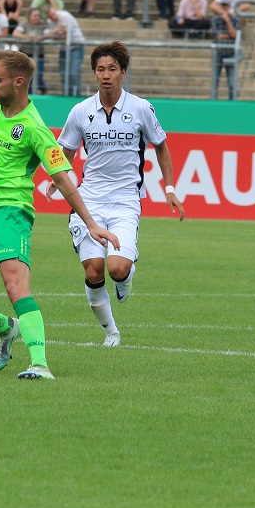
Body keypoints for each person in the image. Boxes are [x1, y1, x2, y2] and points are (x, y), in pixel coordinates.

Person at [0, 49, 119, 380]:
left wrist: (91, 224)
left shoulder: (34, 128)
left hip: (10, 214)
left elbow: (63, 178)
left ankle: (40, 364)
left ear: (18, 83)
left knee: (16, 287)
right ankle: (6, 328)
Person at [55, 41, 183, 345]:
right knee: (94, 269)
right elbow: (65, 149)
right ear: (94, 73)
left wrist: (169, 188)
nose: (105, 75)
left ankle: (125, 277)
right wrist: (56, 176)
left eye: (112, 69)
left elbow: (161, 147)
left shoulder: (141, 107)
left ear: (123, 72)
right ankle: (110, 331)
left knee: (117, 268)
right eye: (100, 69)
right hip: (89, 200)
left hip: (126, 200)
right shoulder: (80, 111)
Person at [46, 6, 85, 97]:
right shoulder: (50, 22)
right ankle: (65, 94)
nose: (53, 18)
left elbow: (65, 36)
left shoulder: (64, 16)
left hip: (75, 47)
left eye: (53, 15)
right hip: (63, 49)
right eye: (50, 17)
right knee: (63, 74)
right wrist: (55, 32)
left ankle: (75, 95)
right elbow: (47, 35)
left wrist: (54, 34)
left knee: (73, 73)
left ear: (55, 11)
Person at [210, 0, 242, 100]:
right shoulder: (215, 19)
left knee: (232, 82)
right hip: (218, 52)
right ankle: (213, 102)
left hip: (231, 52)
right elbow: (216, 35)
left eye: (226, 6)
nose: (224, 8)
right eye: (223, 6)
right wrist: (229, 34)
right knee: (215, 81)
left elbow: (235, 35)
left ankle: (232, 102)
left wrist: (228, 21)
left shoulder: (235, 20)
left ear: (230, 6)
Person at [12, 8, 49, 95]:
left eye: (39, 15)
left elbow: (49, 33)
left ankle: (42, 90)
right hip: (25, 54)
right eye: (35, 15)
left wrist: (40, 37)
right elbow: (16, 33)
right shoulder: (24, 24)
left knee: (39, 76)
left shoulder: (43, 24)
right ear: (29, 16)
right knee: (26, 76)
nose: (37, 17)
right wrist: (28, 37)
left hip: (39, 54)